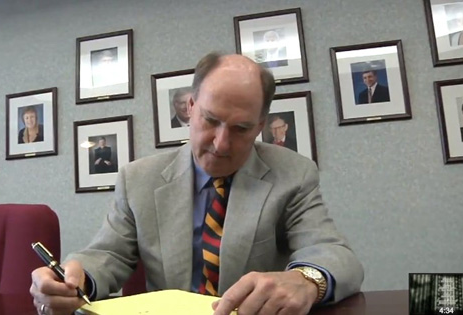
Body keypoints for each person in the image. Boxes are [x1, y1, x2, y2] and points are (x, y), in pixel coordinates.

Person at [30, 52, 364, 315]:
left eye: (241, 129)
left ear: (261, 125)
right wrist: (75, 278)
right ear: (190, 107)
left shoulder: (293, 173)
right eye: (211, 120)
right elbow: (107, 254)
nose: (220, 143)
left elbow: (336, 255)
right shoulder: (138, 178)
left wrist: (307, 281)